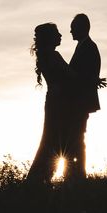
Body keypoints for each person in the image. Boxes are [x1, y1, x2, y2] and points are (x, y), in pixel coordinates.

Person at [26, 23, 75, 183]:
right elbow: (70, 76)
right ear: (49, 37)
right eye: (57, 33)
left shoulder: (47, 56)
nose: (61, 35)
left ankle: (38, 180)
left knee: (50, 141)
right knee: (58, 142)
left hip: (53, 102)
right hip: (59, 104)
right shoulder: (54, 56)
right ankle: (41, 181)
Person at [65, 13, 106, 181]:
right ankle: (75, 173)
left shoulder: (89, 47)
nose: (70, 31)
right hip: (78, 102)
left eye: (73, 28)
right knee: (75, 137)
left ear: (82, 28)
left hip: (80, 102)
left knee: (77, 137)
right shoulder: (83, 46)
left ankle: (77, 175)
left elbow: (84, 75)